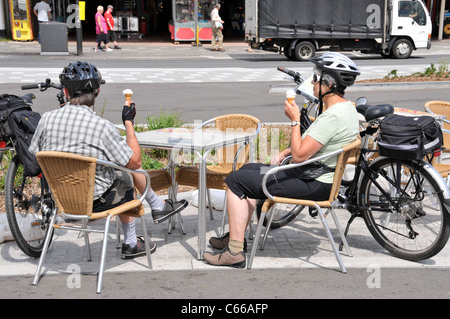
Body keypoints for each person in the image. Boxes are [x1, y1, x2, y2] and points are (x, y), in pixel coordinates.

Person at [203, 52, 361, 268]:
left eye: (316, 79)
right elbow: (315, 143)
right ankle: (236, 236)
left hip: (313, 183)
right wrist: (285, 152)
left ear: (328, 84)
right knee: (249, 169)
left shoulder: (333, 116)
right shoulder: (346, 109)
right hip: (317, 177)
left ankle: (235, 251)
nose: (312, 83)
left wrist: (295, 121)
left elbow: (300, 155)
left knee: (236, 180)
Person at [29, 61, 189, 259]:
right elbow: (135, 162)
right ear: (96, 93)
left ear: (65, 92)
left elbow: (35, 153)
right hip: (96, 204)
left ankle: (158, 207)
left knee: (120, 172)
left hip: (61, 203)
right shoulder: (101, 127)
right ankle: (132, 241)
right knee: (127, 176)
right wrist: (128, 121)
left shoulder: (46, 119)